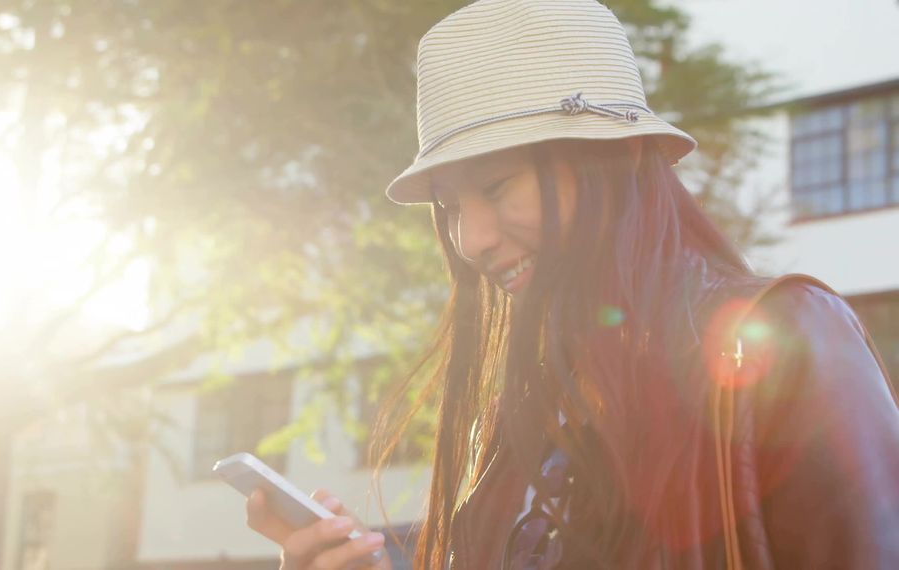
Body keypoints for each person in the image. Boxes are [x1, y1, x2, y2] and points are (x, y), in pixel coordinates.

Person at [245, 0, 899, 568]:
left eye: (496, 187)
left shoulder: (785, 339)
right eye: (448, 207)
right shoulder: (521, 420)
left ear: (607, 162)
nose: (471, 240)